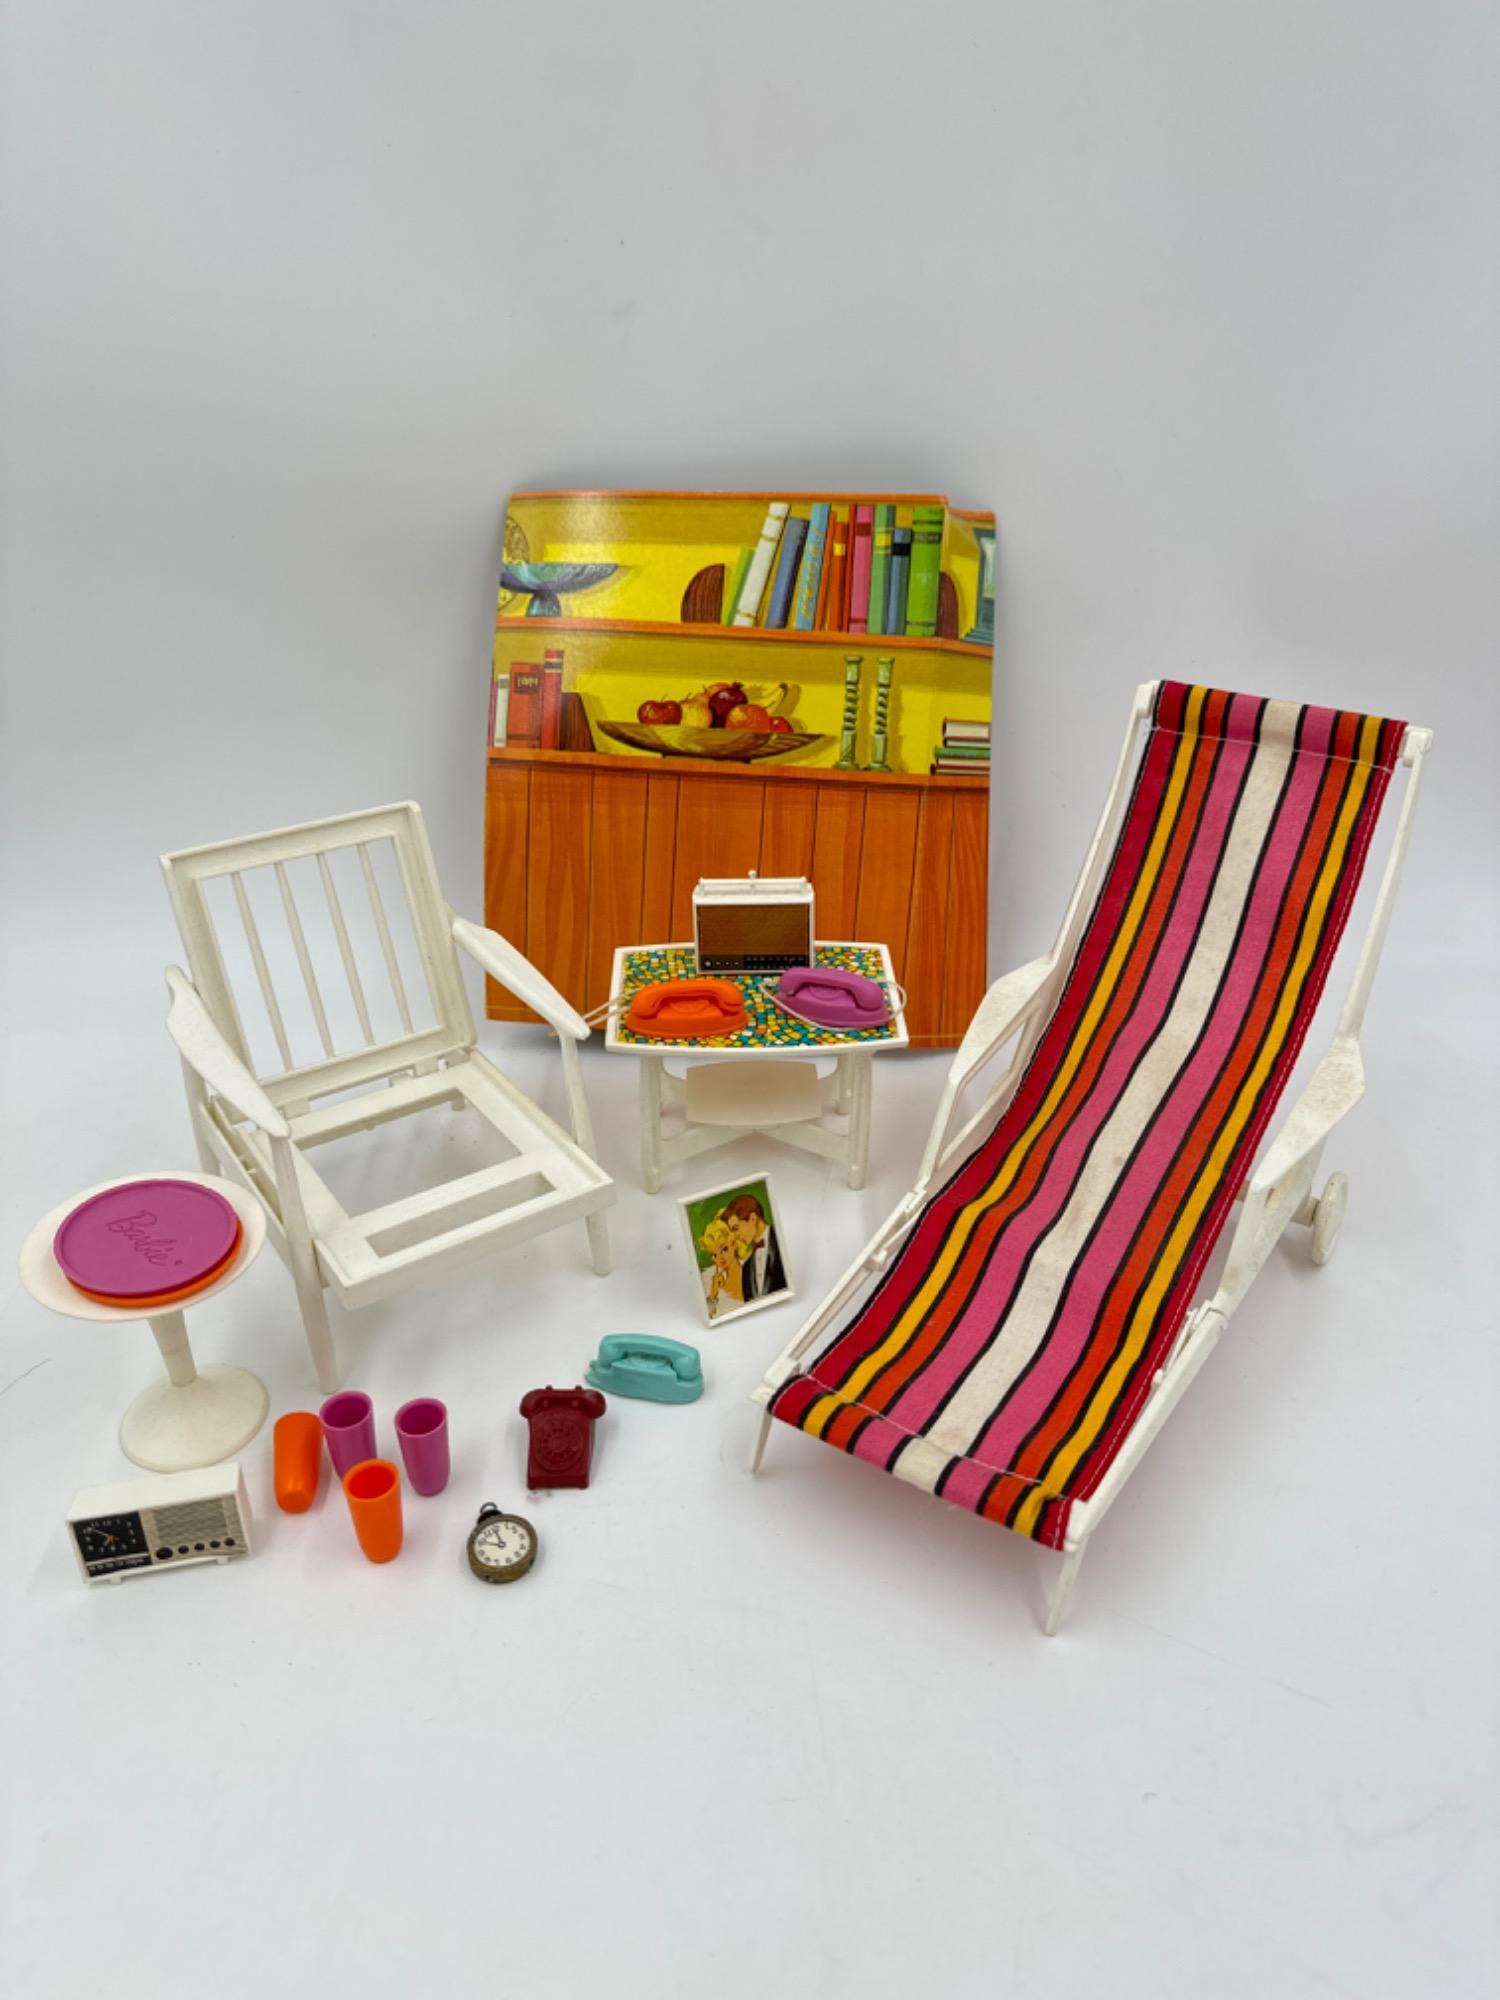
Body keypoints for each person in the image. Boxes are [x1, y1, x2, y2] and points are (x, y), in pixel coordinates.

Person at [722, 1191, 785, 1302]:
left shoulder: (782, 1239)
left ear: (752, 1218)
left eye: (736, 1228)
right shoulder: (746, 1268)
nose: (736, 1235)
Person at [698, 1218, 745, 1317]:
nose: (720, 1258)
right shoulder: (709, 1280)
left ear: (733, 1243)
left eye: (724, 1249)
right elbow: (709, 1316)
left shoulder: (750, 1267)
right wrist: (713, 1294)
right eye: (714, 1255)